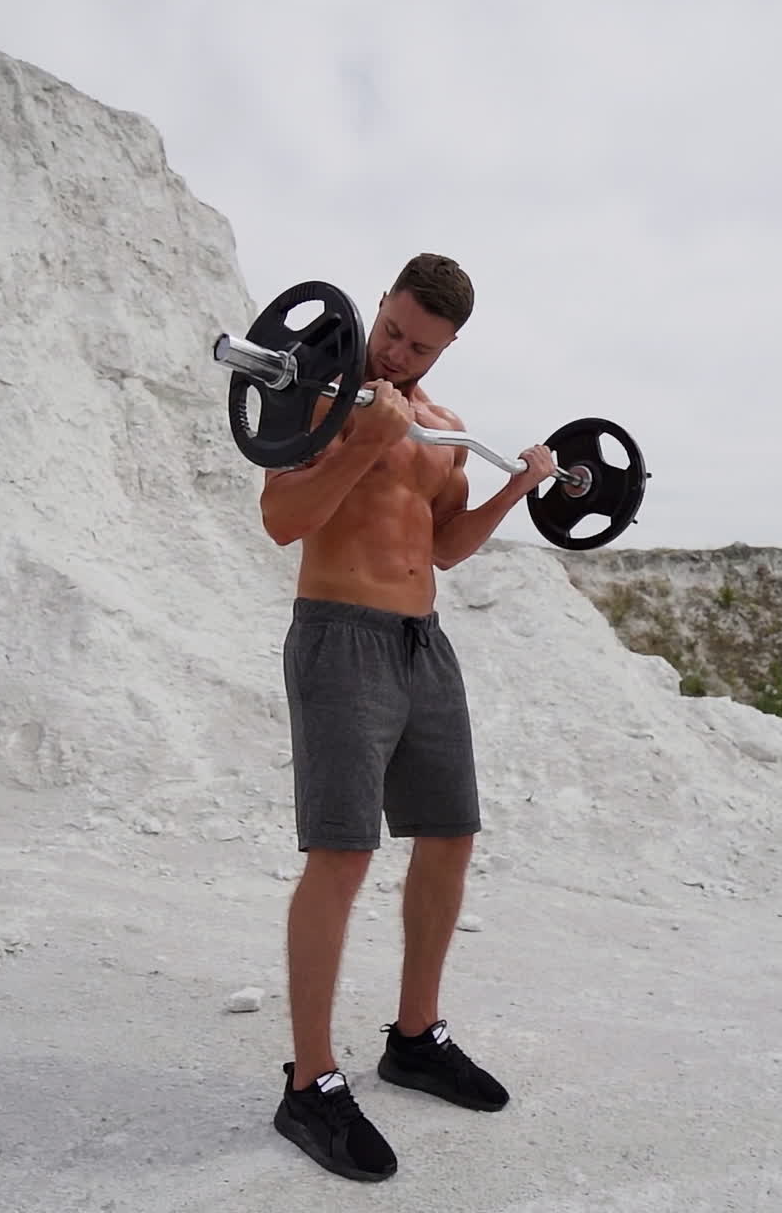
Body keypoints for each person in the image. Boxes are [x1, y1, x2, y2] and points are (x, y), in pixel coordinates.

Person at [261, 253, 557, 1182]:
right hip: (338, 638)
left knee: (449, 835)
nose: (396, 353)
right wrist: (355, 440)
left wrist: (519, 488)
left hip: (423, 644)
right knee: (343, 856)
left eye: (419, 346)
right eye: (391, 330)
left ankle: (415, 1037)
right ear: (378, 303)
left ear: (449, 346)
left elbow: (449, 547)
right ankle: (309, 1085)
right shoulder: (320, 396)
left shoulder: (445, 430)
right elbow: (282, 520)